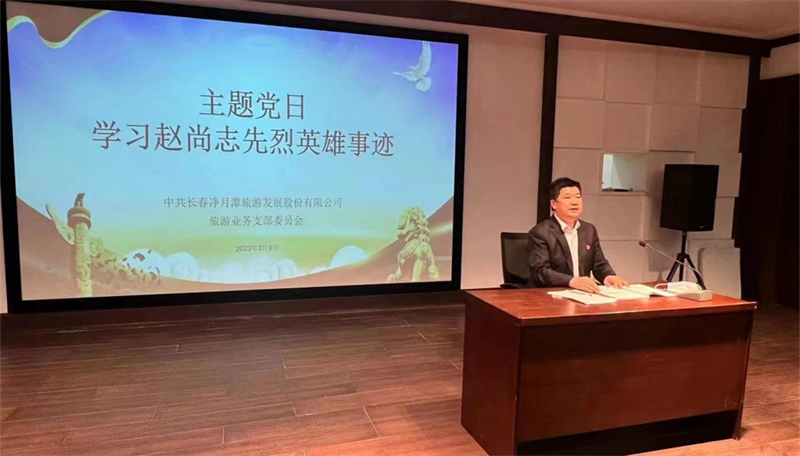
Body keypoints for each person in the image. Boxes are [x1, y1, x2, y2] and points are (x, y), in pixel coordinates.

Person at [527, 177, 628, 293]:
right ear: (554, 204)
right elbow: (540, 271)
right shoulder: (540, 232)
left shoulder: (589, 230)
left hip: (583, 293)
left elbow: (599, 264)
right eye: (567, 197)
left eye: (578, 197)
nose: (574, 202)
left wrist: (608, 276)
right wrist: (571, 281)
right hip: (553, 293)